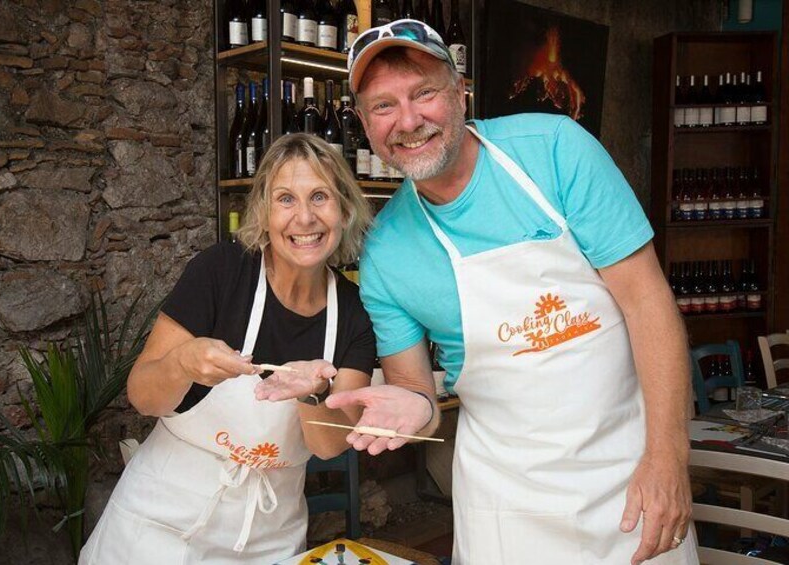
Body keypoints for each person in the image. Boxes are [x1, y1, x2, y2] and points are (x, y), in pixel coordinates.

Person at [325, 19, 698, 565]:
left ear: (460, 91)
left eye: (424, 93)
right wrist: (412, 405)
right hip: (505, 507)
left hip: (631, 476)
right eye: (383, 105)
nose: (408, 120)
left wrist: (668, 459)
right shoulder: (386, 252)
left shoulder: (555, 151)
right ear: (363, 122)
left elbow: (648, 303)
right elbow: (417, 390)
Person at [79, 133, 375, 564]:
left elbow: (331, 445)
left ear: (345, 210)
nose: (305, 217)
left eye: (320, 197)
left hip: (270, 537)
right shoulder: (221, 272)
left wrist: (311, 395)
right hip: (163, 526)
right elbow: (142, 396)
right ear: (264, 212)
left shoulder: (354, 314)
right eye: (286, 199)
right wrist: (182, 363)